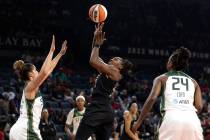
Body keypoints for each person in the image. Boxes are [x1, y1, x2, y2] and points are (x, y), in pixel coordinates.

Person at [75, 23, 133, 140]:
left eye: (116, 59)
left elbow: (93, 60)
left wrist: (97, 44)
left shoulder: (114, 72)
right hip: (106, 112)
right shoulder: (108, 70)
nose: (112, 58)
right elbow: (94, 57)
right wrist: (95, 39)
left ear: (120, 67)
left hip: (97, 109)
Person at [133, 47, 203, 140]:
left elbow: (152, 98)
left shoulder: (161, 78)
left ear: (171, 63)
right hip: (192, 121)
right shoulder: (194, 82)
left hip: (171, 119)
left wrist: (138, 122)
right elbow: (199, 106)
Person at [9, 35, 68, 140]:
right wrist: (51, 51)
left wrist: (60, 54)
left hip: (23, 130)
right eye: (36, 70)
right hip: (26, 130)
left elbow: (48, 71)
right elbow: (44, 72)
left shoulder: (31, 87)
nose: (38, 72)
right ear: (31, 75)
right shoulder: (29, 87)